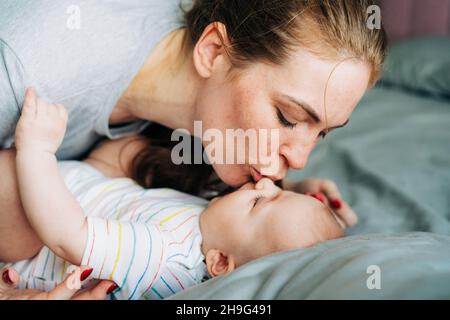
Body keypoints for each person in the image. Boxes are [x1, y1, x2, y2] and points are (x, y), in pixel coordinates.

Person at [0, 0, 387, 299]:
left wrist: (289, 217)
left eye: (322, 133)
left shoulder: (194, 150)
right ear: (214, 50)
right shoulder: (21, 70)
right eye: (286, 117)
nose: (299, 160)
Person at [1, 93, 349, 299]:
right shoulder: (212, 226)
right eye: (278, 190)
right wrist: (296, 199)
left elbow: (67, 237)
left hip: (34, 235)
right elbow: (270, 238)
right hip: (71, 185)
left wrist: (38, 151)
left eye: (261, 202)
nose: (266, 184)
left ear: (221, 264)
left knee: (9, 174)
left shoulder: (168, 257)